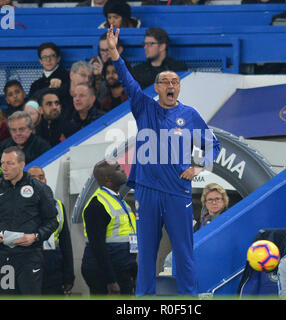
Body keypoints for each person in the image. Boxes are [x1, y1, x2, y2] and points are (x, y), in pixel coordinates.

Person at [106, 25, 220, 296]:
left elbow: (212, 145)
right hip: (146, 190)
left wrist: (199, 166)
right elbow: (127, 80)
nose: (170, 86)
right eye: (165, 82)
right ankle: (144, 298)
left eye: (175, 82)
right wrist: (113, 52)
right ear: (156, 88)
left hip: (177, 191)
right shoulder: (143, 106)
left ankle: (189, 299)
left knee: (184, 251)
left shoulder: (190, 115)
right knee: (146, 252)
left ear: (179, 87)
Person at [0, 147, 58, 295]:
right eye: (2, 163)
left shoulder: (40, 189)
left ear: (22, 164)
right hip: (3, 257)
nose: (4, 168)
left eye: (10, 163)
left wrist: (36, 236)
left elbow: (52, 221)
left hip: (29, 256)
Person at [81, 160, 137, 295]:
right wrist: (110, 280)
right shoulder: (97, 204)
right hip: (104, 273)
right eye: (118, 169)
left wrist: (134, 272)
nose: (123, 170)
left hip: (122, 268)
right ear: (107, 178)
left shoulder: (119, 200)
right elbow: (97, 246)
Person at [27, 166, 75, 295]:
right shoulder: (18, 207)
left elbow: (66, 243)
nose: (38, 180)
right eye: (33, 178)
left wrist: (69, 275)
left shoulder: (58, 206)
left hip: (53, 269)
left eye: (41, 177)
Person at [90, 33, 126, 102]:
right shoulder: (95, 69)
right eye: (102, 50)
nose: (105, 54)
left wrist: (103, 75)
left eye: (109, 50)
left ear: (119, 50)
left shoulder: (127, 69)